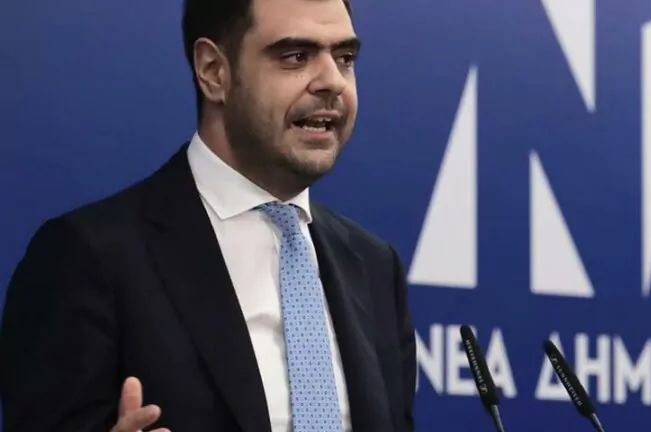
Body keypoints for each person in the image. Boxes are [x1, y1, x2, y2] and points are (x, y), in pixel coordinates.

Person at [0, 0, 417, 430]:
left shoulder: (374, 267)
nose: (333, 81)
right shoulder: (88, 259)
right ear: (213, 71)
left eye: (345, 58)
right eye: (296, 56)